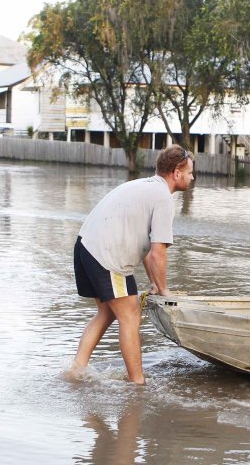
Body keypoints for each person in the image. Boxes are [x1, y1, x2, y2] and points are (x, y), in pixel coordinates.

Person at [71, 144, 194, 385]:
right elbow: (158, 252)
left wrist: (155, 284)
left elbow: (148, 252)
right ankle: (137, 383)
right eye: (189, 172)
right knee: (130, 314)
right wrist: (165, 290)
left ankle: (77, 369)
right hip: (106, 256)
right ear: (176, 173)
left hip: (85, 246)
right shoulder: (162, 198)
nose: (192, 177)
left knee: (107, 312)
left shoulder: (145, 186)